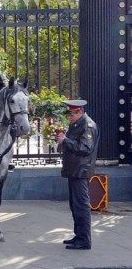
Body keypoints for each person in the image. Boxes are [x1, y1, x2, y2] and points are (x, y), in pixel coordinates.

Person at [55, 99, 99, 250]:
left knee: (81, 205)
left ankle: (84, 240)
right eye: (68, 113)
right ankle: (79, 235)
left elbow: (85, 148)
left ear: (80, 111)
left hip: (81, 170)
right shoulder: (77, 123)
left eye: (72, 113)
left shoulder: (87, 125)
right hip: (74, 169)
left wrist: (65, 140)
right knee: (75, 205)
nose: (69, 116)